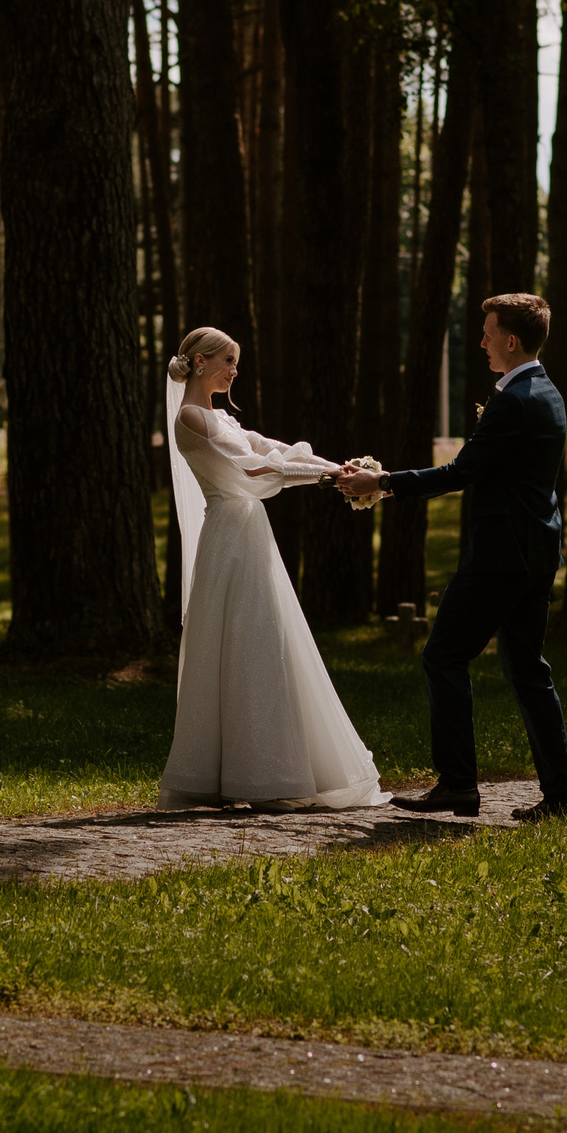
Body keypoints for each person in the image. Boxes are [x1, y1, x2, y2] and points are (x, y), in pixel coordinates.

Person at [335, 293, 567, 821]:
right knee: (528, 671)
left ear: (511, 340)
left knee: (442, 656)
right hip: (536, 551)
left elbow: (460, 473)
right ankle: (560, 797)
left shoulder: (514, 401)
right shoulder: (548, 392)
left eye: (489, 332)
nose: (483, 341)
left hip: (498, 557)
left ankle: (459, 785)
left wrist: (383, 482)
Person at [157, 326, 391, 812]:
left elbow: (273, 449)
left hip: (248, 533)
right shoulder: (193, 419)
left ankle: (269, 767)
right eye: (228, 360)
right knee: (246, 640)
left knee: (265, 639)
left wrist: (340, 468)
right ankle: (252, 774)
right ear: (200, 362)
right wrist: (326, 477)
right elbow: (254, 471)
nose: (234, 370)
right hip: (230, 538)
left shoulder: (220, 417)